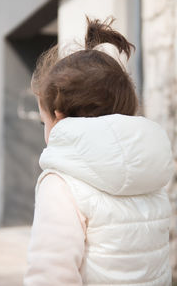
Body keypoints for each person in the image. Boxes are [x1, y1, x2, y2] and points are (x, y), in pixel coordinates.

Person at [23, 16, 175, 286]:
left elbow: (51, 273)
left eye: (44, 122)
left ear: (58, 118)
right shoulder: (149, 176)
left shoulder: (62, 183)